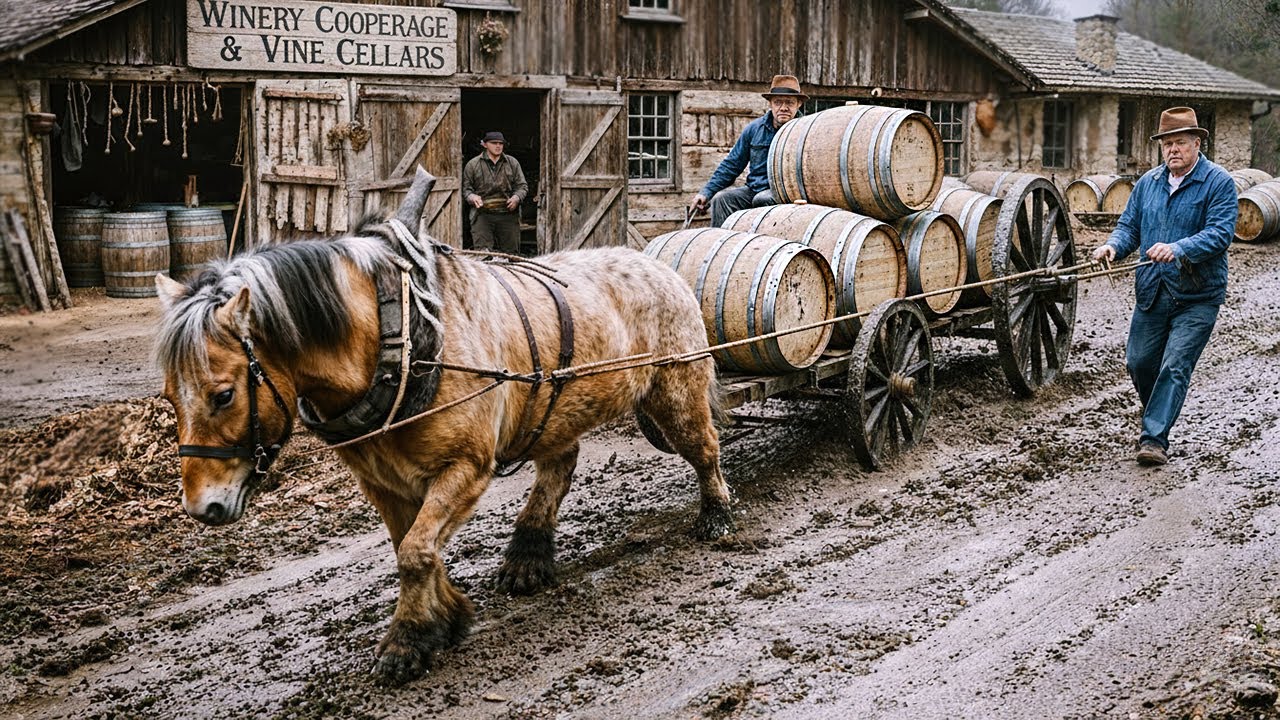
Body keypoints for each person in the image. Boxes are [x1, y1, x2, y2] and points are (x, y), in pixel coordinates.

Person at [1091, 107, 1236, 467]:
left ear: (1198, 143)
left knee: (1174, 365)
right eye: (1167, 143)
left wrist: (1178, 249)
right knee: (1139, 362)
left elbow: (1220, 234)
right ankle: (1159, 412)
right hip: (1153, 291)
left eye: (1181, 143)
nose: (1173, 150)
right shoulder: (1148, 184)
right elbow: (1129, 228)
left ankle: (1154, 439)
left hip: (1197, 295)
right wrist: (1113, 246)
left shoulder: (1218, 182)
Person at [687, 74, 806, 228]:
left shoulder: (805, 131)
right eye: (778, 102)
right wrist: (706, 192)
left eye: (789, 102)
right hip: (754, 189)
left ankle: (764, 245)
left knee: (762, 199)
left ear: (799, 104)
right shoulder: (754, 129)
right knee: (722, 199)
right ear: (770, 104)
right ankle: (722, 245)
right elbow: (732, 164)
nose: (783, 107)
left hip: (789, 195)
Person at [463, 131, 529, 254]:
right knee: (483, 255)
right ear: (485, 144)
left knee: (511, 254)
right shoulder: (473, 165)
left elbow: (522, 186)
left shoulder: (512, 163)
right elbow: (466, 190)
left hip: (508, 213)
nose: (498, 146)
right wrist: (472, 197)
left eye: (501, 143)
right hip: (482, 213)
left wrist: (516, 197)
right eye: (494, 143)